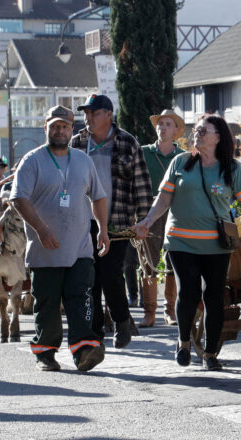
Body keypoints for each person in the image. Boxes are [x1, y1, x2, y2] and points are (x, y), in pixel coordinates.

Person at [133, 115, 241, 370]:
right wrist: (147, 221)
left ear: (218, 137)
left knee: (215, 297)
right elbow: (163, 200)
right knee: (189, 291)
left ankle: (211, 353)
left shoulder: (232, 168)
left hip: (217, 244)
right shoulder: (180, 162)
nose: (198, 134)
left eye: (204, 131)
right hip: (181, 241)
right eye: (197, 130)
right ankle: (183, 343)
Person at [10, 105, 109, 372]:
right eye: (54, 126)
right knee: (48, 304)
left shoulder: (83, 160)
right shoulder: (32, 160)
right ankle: (45, 353)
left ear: (71, 129)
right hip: (46, 250)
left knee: (81, 299)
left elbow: (98, 196)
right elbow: (19, 198)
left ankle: (84, 350)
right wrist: (42, 229)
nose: (60, 131)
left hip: (80, 247)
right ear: (46, 129)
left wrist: (102, 229)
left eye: (64, 126)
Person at [70, 94, 153, 349]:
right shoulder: (77, 142)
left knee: (111, 274)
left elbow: (141, 183)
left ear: (109, 114)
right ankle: (95, 330)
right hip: (84, 222)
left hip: (117, 221)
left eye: (94, 113)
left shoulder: (127, 142)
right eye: (86, 113)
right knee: (89, 277)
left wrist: (144, 221)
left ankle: (121, 320)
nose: (88, 118)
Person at [139, 109, 186, 327]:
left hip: (176, 212)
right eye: (160, 123)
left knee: (174, 262)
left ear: (176, 130)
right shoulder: (143, 153)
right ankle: (149, 312)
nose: (162, 127)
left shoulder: (184, 157)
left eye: (168, 124)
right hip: (149, 211)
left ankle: (171, 311)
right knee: (148, 261)